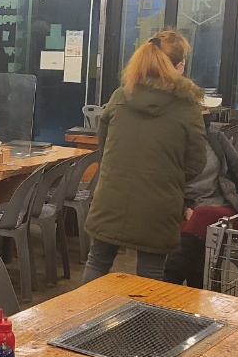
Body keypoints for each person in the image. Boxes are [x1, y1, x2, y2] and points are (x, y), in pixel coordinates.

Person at [82, 29, 209, 282]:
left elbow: (104, 145)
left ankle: (82, 310)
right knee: (151, 273)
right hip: (159, 203)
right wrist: (169, 175)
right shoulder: (187, 107)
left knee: (97, 262)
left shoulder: (120, 96)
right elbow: (197, 160)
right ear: (180, 66)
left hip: (112, 196)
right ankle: (144, 312)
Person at [162, 107, 238, 286]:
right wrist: (183, 209)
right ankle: (201, 289)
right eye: (201, 109)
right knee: (200, 253)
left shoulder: (215, 136)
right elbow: (162, 183)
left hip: (222, 204)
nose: (206, 114)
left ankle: (168, 283)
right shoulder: (170, 141)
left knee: (201, 217)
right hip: (186, 206)